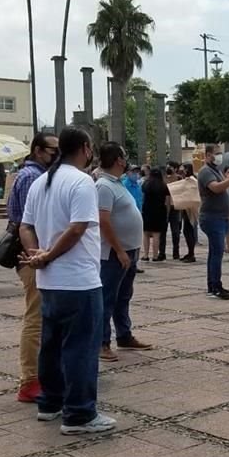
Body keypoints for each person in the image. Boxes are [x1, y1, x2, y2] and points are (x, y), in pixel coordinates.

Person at [19, 127, 116, 435]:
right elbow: (76, 230)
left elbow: (25, 226)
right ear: (86, 148)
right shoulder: (81, 182)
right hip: (78, 280)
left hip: (50, 281)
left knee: (52, 346)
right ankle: (79, 414)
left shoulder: (40, 182)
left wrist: (37, 254)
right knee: (81, 349)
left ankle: (50, 403)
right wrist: (45, 256)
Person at [7, 132, 58, 403]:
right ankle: (29, 380)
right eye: (52, 151)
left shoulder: (36, 176)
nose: (56, 156)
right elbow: (30, 222)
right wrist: (38, 256)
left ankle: (41, 374)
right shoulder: (32, 178)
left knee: (43, 316)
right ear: (38, 151)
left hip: (37, 254)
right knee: (35, 317)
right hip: (32, 256)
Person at [96, 142, 152, 361]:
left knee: (123, 296)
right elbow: (103, 220)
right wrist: (118, 250)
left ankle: (124, 335)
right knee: (107, 297)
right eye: (124, 156)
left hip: (130, 250)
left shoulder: (117, 183)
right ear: (118, 160)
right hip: (114, 253)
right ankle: (102, 343)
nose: (126, 159)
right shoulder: (103, 186)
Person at [197, 144, 229, 299]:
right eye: (217, 153)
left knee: (215, 253)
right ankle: (215, 286)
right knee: (217, 252)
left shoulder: (216, 170)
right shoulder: (205, 172)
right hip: (211, 217)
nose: (219, 156)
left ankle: (214, 284)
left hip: (221, 217)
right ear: (208, 155)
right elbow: (216, 188)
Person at [141, 168, 169, 262]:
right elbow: (167, 201)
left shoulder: (146, 184)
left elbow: (143, 196)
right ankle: (155, 256)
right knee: (156, 234)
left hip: (147, 210)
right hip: (160, 211)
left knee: (146, 234)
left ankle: (145, 255)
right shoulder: (163, 186)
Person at [160, 163, 183, 260]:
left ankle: (176, 252)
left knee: (175, 232)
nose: (168, 168)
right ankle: (162, 252)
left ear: (175, 168)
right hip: (164, 207)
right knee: (162, 231)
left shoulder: (178, 178)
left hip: (175, 207)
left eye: (171, 167)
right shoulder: (162, 178)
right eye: (167, 166)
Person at [178, 163, 199, 262]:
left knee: (189, 231)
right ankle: (190, 252)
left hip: (191, 209)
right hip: (185, 208)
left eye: (183, 170)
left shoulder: (192, 180)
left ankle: (192, 254)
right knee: (186, 231)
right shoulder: (186, 180)